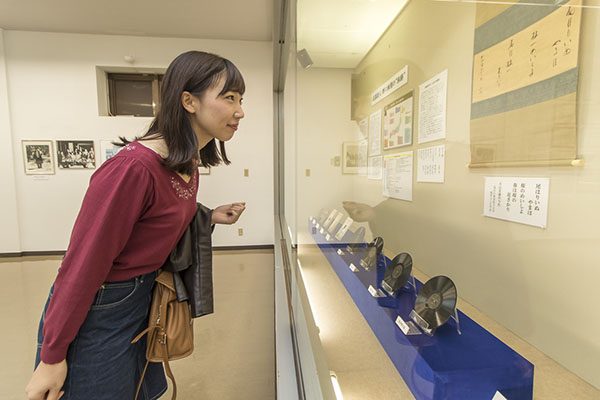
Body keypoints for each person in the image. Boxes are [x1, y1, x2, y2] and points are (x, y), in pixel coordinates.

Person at [25, 50, 247, 400]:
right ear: (189, 101)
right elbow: (82, 266)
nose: (239, 111)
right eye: (229, 97)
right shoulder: (133, 169)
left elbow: (161, 211)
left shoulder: (184, 161)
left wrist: (208, 215)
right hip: (101, 307)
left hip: (142, 299)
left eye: (240, 99)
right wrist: (52, 357)